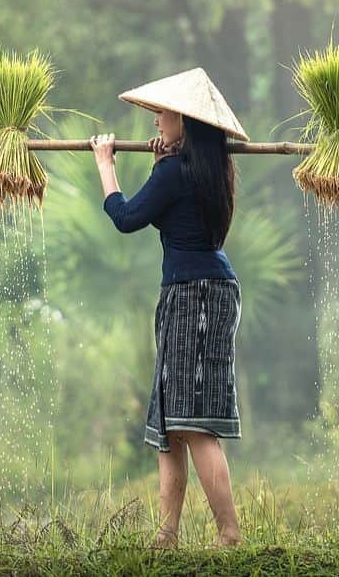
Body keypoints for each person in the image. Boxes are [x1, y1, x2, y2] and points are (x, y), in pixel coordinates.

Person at [89, 67, 250, 549]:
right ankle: (167, 534)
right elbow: (170, 210)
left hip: (194, 295)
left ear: (185, 120)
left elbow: (126, 217)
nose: (156, 120)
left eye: (163, 113)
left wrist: (105, 164)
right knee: (171, 422)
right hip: (203, 290)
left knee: (192, 424)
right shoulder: (207, 169)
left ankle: (229, 533)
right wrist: (161, 165)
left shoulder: (176, 173)